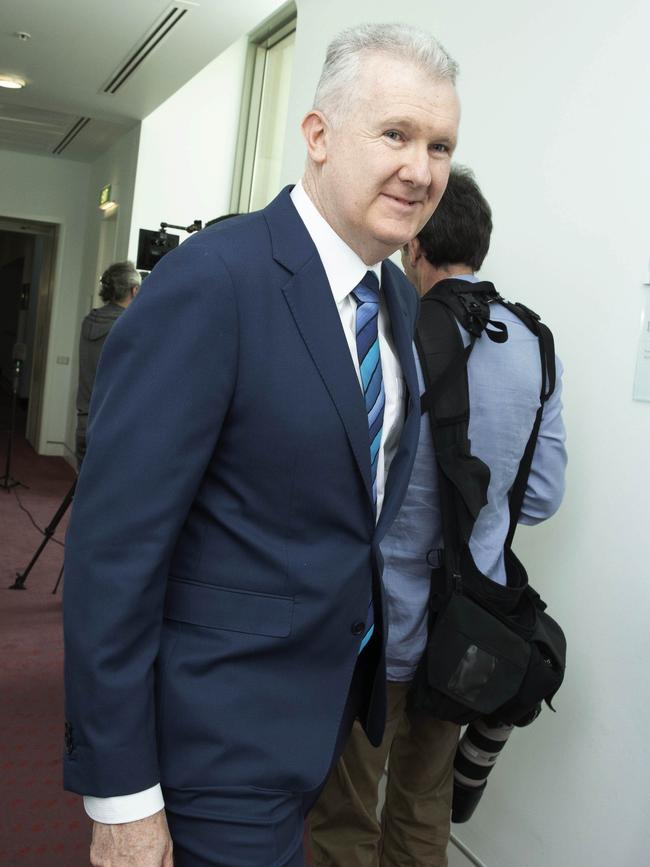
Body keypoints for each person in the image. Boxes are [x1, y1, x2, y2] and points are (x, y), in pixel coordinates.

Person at [62, 23, 461, 867]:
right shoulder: (214, 281)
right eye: (394, 134)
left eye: (439, 145)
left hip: (316, 730)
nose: (420, 169)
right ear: (317, 135)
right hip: (208, 743)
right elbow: (115, 551)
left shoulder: (392, 299)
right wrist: (123, 793)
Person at [309, 166, 568, 867]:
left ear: (414, 246)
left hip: (380, 622)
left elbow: (342, 483)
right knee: (424, 804)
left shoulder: (387, 331)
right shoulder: (537, 345)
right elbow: (541, 495)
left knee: (345, 809)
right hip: (469, 631)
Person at [74, 261, 140, 464]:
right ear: (134, 290)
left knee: (83, 492)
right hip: (111, 428)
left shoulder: (90, 320)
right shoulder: (128, 326)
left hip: (84, 423)